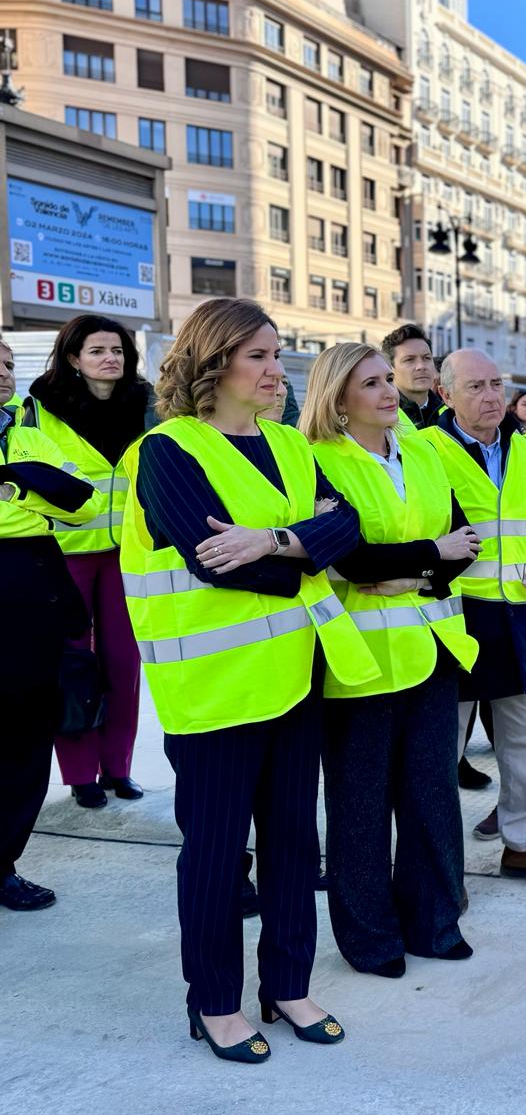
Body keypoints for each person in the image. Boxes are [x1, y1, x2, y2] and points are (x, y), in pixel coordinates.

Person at [123, 298, 380, 1062]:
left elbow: (349, 527)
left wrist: (277, 539)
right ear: (213, 363)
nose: (277, 371)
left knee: (297, 845)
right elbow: (219, 564)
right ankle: (213, 1003)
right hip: (212, 694)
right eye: (260, 357)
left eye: (278, 356)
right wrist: (305, 551)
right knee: (215, 850)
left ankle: (288, 986)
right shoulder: (166, 452)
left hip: (295, 682)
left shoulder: (290, 448)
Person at [301, 344, 481, 977]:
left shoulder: (424, 451)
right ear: (336, 396)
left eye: (387, 380)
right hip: (361, 665)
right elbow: (350, 560)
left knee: (434, 798)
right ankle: (371, 939)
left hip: (433, 652)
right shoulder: (315, 462)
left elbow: (468, 545)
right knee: (361, 808)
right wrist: (430, 554)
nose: (388, 392)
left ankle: (435, 922)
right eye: (370, 383)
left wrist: (411, 573)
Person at [414, 349, 526, 884]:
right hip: (453, 621)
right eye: (476, 386)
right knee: (442, 749)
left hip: (520, 620)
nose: (491, 397)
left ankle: (523, 846)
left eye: (497, 384)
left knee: (525, 739)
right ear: (445, 395)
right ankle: (437, 864)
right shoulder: (422, 450)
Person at [23, 315, 153, 808]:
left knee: (125, 664)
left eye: (118, 350)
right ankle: (79, 774)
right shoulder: (40, 409)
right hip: (66, 557)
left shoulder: (146, 406)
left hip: (127, 556)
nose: (111, 359)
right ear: (73, 358)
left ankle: (118, 768)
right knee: (75, 665)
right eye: (98, 350)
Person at [0, 335, 99, 911]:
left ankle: (4, 864)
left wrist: (13, 482)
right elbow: (51, 497)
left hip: (32, 591)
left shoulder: (30, 431)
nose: (5, 374)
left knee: (26, 739)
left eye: (10, 365)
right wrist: (33, 492)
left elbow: (80, 501)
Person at [382, 324, 445, 434]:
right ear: (390, 368)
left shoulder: (450, 413)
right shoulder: (383, 419)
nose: (421, 366)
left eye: (427, 358)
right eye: (409, 360)